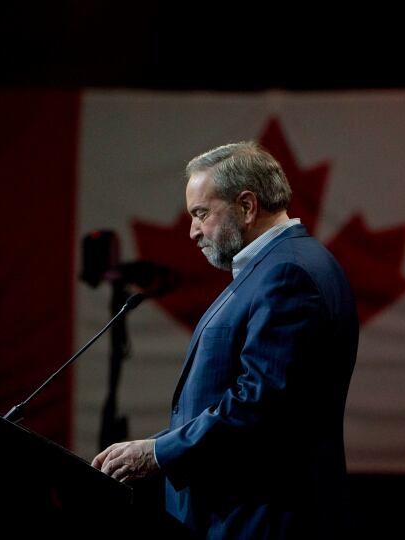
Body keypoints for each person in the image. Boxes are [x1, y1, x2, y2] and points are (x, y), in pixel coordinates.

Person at [92, 141, 359, 539]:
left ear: (247, 206)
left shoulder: (288, 274)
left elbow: (260, 405)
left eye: (201, 213)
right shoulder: (277, 267)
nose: (193, 231)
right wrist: (157, 443)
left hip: (261, 521)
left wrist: (159, 454)